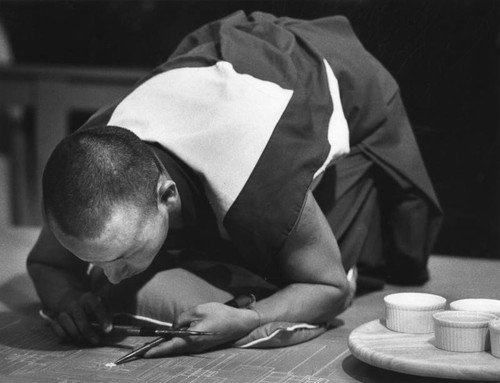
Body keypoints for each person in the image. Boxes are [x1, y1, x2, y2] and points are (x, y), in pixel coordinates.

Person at [27, 11, 442, 357]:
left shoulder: (263, 174)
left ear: (166, 194)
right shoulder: (92, 162)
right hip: (208, 71)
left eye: (124, 257)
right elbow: (46, 262)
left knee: (375, 255)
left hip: (338, 85)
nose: (112, 278)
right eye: (98, 262)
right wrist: (67, 299)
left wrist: (253, 317)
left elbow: (328, 288)